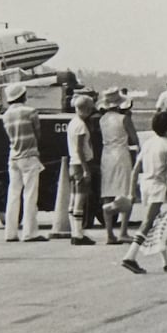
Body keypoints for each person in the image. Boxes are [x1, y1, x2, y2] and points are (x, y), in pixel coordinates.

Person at [121, 109, 167, 273]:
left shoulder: (148, 143)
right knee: (148, 222)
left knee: (156, 222)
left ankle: (166, 260)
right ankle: (130, 256)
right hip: (157, 186)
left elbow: (135, 170)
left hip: (144, 184)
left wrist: (132, 191)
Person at [2, 84, 46, 243]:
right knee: (30, 195)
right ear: (23, 96)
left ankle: (10, 233)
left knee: (13, 195)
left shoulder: (6, 116)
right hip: (29, 156)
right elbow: (38, 134)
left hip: (13, 156)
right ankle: (30, 233)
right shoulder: (30, 112)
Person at [97, 89, 137, 244]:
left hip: (106, 155)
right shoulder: (124, 119)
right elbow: (134, 139)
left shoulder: (102, 120)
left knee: (107, 192)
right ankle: (123, 231)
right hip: (121, 154)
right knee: (126, 192)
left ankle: (109, 233)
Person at [65, 94, 99, 246]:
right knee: (80, 200)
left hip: (73, 164)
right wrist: (86, 169)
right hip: (80, 164)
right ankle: (78, 234)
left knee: (73, 200)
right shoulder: (80, 125)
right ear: (85, 109)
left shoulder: (73, 123)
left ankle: (75, 232)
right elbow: (80, 149)